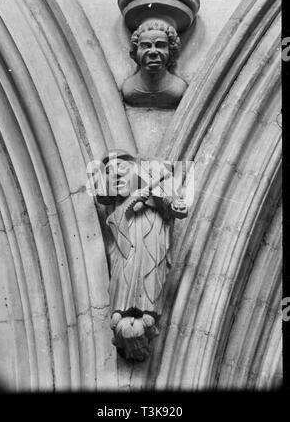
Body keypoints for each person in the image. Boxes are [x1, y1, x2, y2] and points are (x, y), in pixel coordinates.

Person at [96, 150, 188, 361]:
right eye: (110, 173)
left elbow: (174, 206)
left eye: (122, 169)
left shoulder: (154, 194)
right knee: (124, 275)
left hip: (151, 250)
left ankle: (147, 311)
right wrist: (133, 200)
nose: (116, 176)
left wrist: (171, 202)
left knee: (149, 275)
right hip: (128, 253)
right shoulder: (118, 209)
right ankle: (121, 311)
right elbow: (115, 222)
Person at [122, 19, 188, 108]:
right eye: (145, 46)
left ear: (171, 51)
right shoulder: (128, 88)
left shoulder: (179, 88)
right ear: (135, 52)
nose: (153, 51)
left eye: (160, 45)